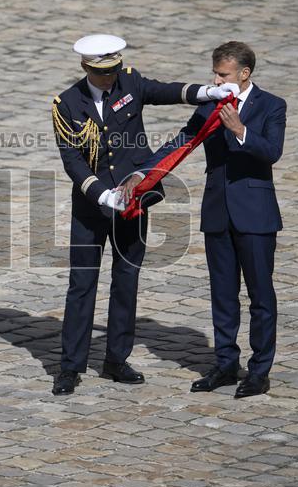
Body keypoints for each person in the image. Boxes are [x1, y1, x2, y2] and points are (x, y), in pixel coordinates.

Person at [49, 34, 232, 396]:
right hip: (91, 206)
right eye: (103, 73)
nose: (111, 78)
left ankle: (117, 358)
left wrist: (205, 94)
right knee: (82, 285)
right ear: (86, 68)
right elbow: (71, 160)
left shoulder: (129, 81)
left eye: (114, 70)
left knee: (126, 280)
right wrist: (103, 195)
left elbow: (166, 91)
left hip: (134, 200)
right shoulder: (67, 104)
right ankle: (70, 366)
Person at [127, 41, 286, 398]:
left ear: (244, 74)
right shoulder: (211, 105)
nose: (216, 80)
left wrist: (239, 130)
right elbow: (181, 142)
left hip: (256, 217)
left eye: (223, 74)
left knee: (260, 295)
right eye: (214, 73)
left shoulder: (271, 105)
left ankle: (259, 371)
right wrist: (143, 173)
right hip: (218, 213)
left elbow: (271, 152)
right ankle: (226, 363)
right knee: (222, 294)